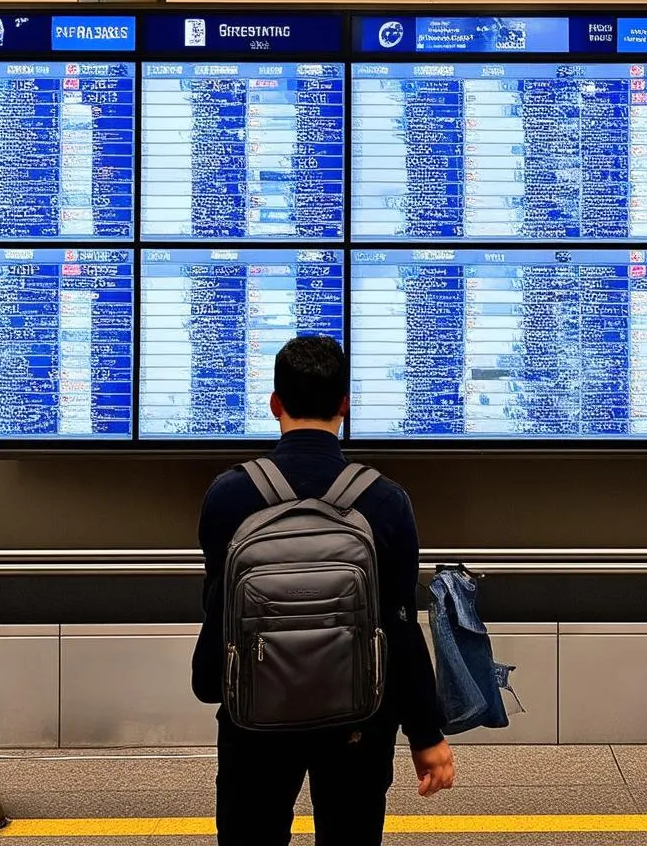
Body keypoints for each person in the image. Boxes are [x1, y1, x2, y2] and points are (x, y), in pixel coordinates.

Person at [192, 335, 455, 845]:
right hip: (359, 717)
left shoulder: (229, 495)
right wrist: (426, 734)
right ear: (344, 406)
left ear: (274, 404)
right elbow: (400, 626)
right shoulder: (384, 499)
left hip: (254, 717)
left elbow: (216, 605)